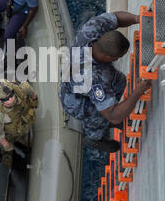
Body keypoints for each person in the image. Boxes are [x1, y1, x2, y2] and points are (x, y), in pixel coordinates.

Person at [59, 12, 152, 153]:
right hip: (76, 102)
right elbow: (113, 116)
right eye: (119, 57)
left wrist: (138, 19)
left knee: (119, 81)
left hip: (82, 73)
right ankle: (94, 138)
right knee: (100, 117)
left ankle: (112, 107)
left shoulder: (92, 30)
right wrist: (138, 91)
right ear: (108, 57)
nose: (120, 59)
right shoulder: (94, 79)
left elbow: (116, 17)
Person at [0, 80, 38, 167]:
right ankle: (7, 156)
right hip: (8, 134)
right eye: (5, 99)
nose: (10, 99)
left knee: (24, 134)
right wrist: (6, 144)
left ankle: (23, 139)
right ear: (0, 100)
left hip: (22, 124)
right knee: (6, 148)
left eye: (11, 95)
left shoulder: (21, 89)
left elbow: (30, 92)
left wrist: (34, 99)